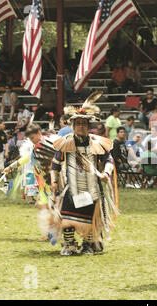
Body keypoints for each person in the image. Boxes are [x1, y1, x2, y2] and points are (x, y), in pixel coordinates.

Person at [51, 92, 119, 256]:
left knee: (91, 219)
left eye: (84, 123)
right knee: (66, 217)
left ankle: (89, 244)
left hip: (92, 188)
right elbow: (56, 163)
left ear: (89, 126)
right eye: (78, 123)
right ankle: (69, 244)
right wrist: (54, 182)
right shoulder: (66, 141)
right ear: (73, 126)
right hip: (72, 187)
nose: (81, 126)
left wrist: (105, 173)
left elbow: (109, 160)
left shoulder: (96, 142)